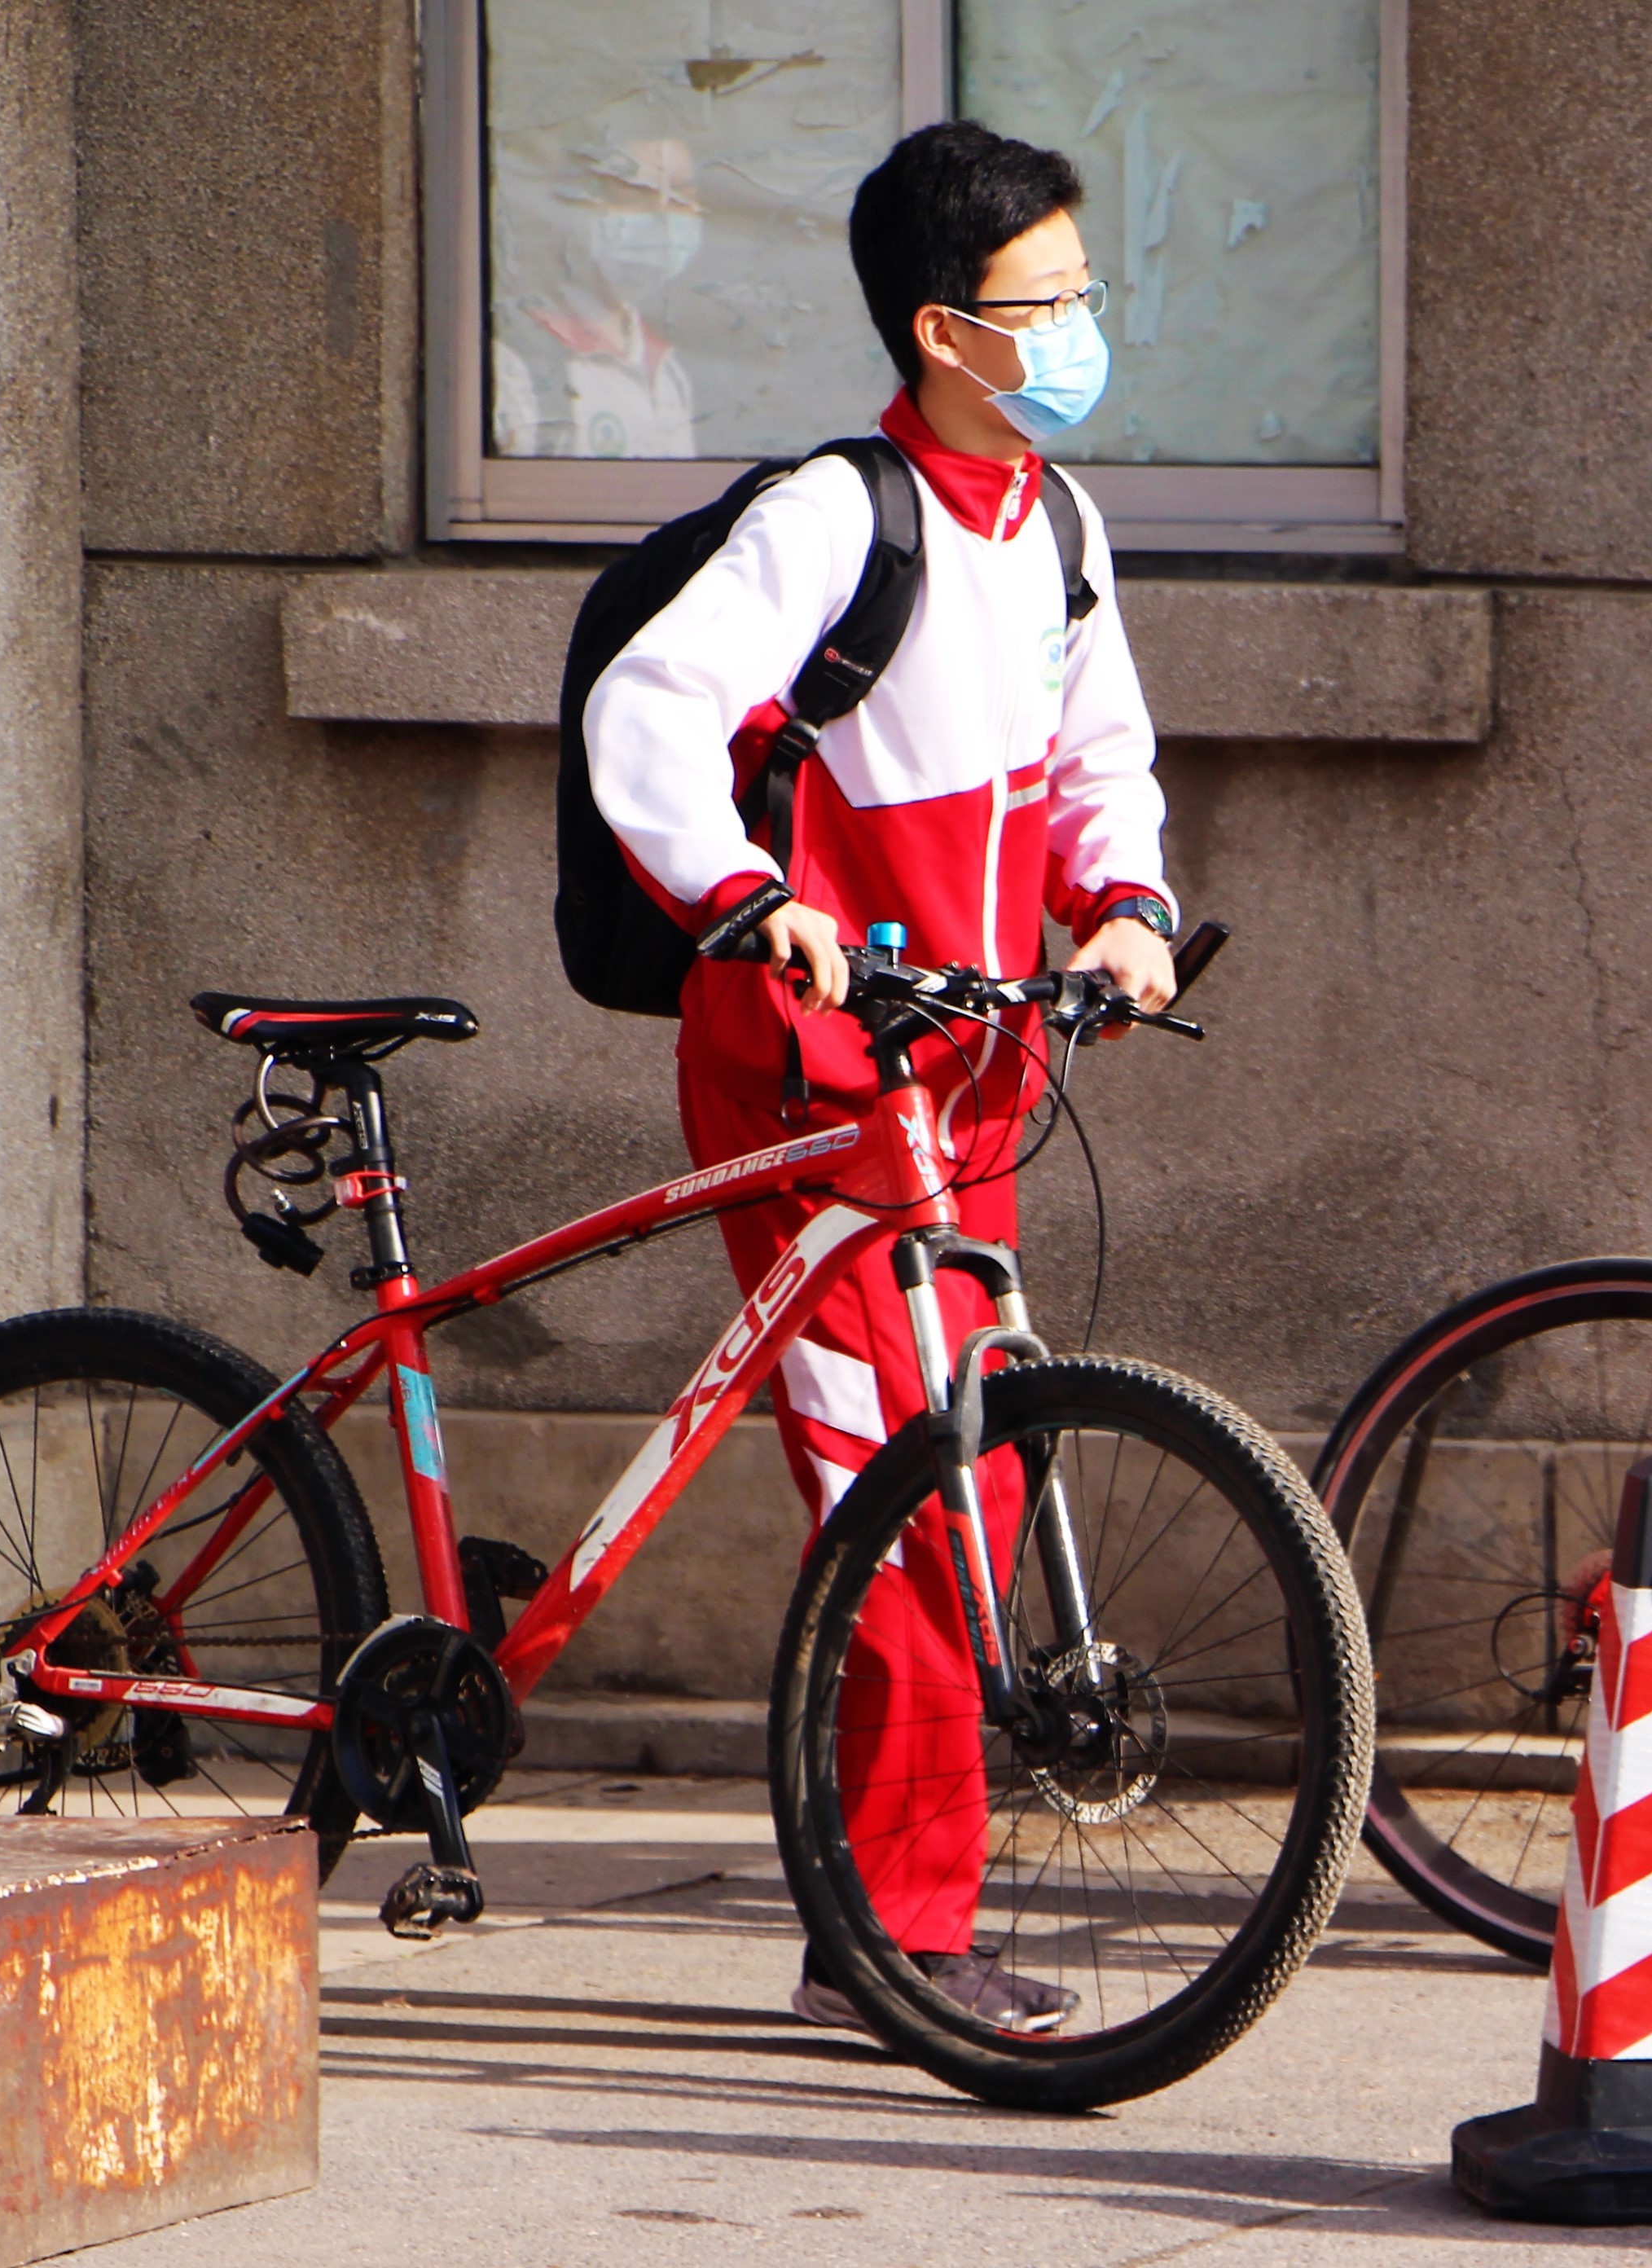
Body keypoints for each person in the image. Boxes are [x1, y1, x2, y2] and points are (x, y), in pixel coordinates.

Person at [582, 121, 1178, 2033]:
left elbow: (1104, 764)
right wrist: (750, 897)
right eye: (1050, 304)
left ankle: (900, 1916)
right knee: (908, 1503)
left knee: (975, 1483)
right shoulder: (839, 518)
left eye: (1092, 293)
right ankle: (892, 1948)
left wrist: (1130, 906)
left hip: (972, 1080)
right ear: (943, 329)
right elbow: (652, 710)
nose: (1084, 329)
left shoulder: (1061, 529)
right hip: (816, 1079)